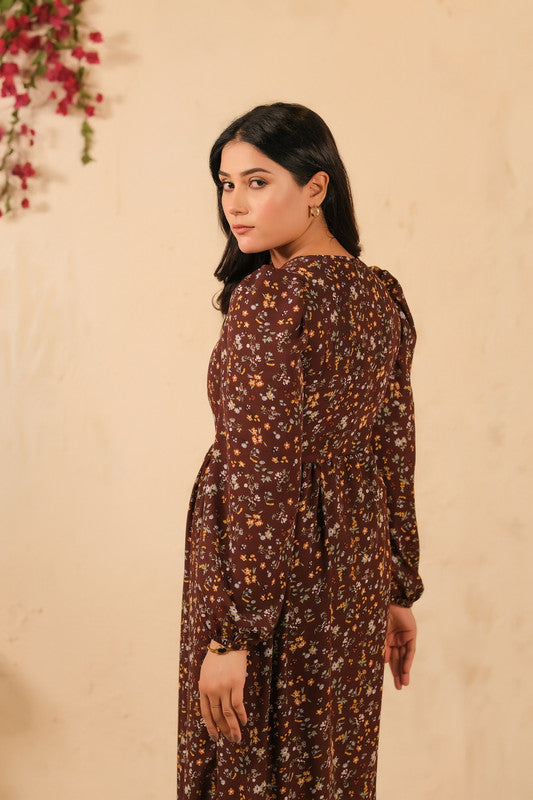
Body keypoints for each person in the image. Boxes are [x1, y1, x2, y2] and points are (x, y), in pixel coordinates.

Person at [177, 102, 423, 800]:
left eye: (258, 182)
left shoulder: (270, 298)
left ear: (316, 187)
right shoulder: (381, 295)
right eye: (226, 184)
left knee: (250, 768)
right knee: (329, 769)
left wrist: (231, 636)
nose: (235, 204)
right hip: (352, 570)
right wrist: (396, 588)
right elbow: (394, 445)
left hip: (269, 577)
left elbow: (261, 477)